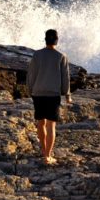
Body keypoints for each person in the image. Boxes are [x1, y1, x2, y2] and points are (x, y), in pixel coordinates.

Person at [27, 28, 71, 165]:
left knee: (41, 122)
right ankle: (48, 155)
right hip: (53, 94)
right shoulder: (61, 56)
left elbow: (31, 75)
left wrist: (30, 90)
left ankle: (43, 151)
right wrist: (67, 94)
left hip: (38, 93)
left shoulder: (37, 55)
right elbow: (66, 78)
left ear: (45, 39)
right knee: (51, 125)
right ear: (56, 40)